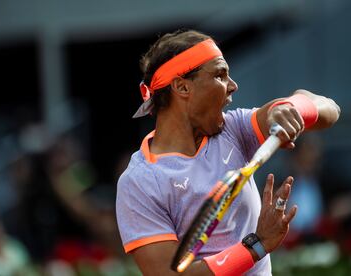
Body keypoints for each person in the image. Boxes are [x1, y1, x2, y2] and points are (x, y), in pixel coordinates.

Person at [116, 29, 340, 275]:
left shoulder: (234, 128)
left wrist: (287, 109)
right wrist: (257, 245)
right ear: (182, 86)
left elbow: (329, 108)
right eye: (220, 75)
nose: (233, 86)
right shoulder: (139, 181)